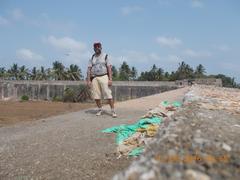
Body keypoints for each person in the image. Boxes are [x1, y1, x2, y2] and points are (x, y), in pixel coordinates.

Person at [87, 42, 117, 118]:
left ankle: (113, 111)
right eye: (95, 47)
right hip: (95, 77)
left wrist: (110, 79)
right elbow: (89, 69)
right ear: (94, 48)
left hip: (104, 76)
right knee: (96, 95)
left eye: (98, 47)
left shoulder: (105, 56)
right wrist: (88, 80)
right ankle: (100, 109)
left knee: (108, 94)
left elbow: (109, 68)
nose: (97, 48)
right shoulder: (92, 57)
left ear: (101, 47)